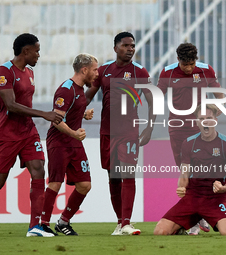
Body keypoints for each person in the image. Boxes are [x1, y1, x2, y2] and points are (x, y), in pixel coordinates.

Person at [0, 33, 63, 237]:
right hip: (7, 134)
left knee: (39, 170)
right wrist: (44, 114)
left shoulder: (30, 73)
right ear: (26, 51)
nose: (39, 55)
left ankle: (35, 227)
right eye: (37, 50)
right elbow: (11, 105)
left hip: (28, 132)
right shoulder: (4, 71)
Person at [85, 32, 155, 235]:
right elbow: (88, 96)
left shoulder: (139, 71)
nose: (130, 49)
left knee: (128, 175)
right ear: (115, 48)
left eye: (132, 45)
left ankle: (126, 223)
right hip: (107, 132)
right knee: (113, 177)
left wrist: (149, 128)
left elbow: (153, 101)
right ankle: (119, 223)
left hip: (129, 133)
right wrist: (73, 111)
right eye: (125, 45)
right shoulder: (104, 70)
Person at [153, 104, 226, 236]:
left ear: (215, 120)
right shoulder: (188, 143)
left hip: (216, 199)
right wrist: (181, 187)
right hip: (193, 197)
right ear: (197, 122)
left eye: (209, 117)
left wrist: (223, 188)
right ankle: (181, 228)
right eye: (201, 118)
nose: (205, 121)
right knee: (159, 231)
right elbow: (184, 173)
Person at [157, 43, 225, 234]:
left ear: (196, 60)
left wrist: (218, 104)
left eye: (191, 64)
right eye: (185, 64)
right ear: (178, 60)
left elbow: (219, 92)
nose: (188, 68)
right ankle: (196, 217)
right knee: (184, 171)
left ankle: (197, 217)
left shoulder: (205, 70)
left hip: (201, 128)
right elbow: (155, 96)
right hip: (177, 129)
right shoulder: (168, 72)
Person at [38, 53, 98, 236]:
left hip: (74, 143)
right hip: (59, 142)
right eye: (95, 70)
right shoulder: (66, 89)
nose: (97, 74)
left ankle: (63, 222)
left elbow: (69, 112)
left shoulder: (79, 89)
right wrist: (73, 133)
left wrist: (82, 115)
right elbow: (57, 119)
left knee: (85, 185)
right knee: (55, 183)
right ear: (84, 69)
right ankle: (43, 225)